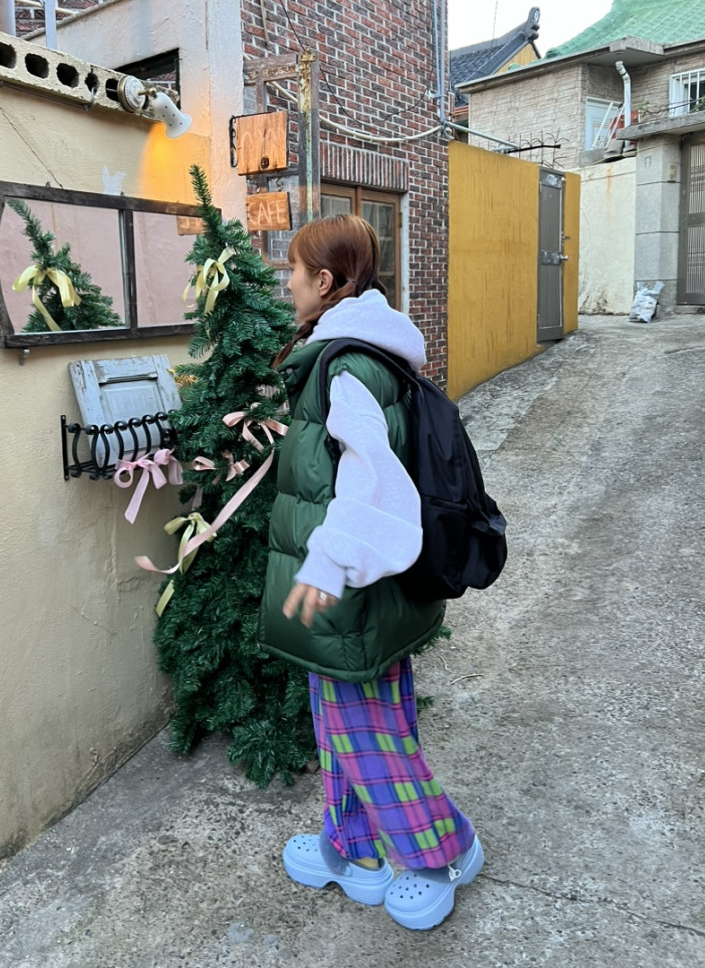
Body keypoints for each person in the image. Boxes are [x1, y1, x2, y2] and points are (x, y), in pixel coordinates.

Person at [258, 213, 483, 931]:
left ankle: (443, 852)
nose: (288, 283)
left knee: (367, 731)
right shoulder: (362, 352)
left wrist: (327, 565)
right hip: (360, 590)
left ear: (325, 281)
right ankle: (352, 849)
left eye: (295, 271)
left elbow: (372, 482)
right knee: (342, 722)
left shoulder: (348, 366)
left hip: (350, 588)